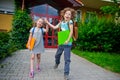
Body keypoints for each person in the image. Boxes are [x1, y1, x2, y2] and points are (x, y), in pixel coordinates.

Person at [45, 7, 76, 80]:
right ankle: (57, 62)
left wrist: (68, 40)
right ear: (63, 14)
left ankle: (66, 74)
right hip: (62, 43)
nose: (67, 15)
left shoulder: (70, 22)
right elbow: (54, 27)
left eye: (69, 14)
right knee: (57, 55)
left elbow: (71, 32)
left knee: (67, 59)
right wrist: (47, 23)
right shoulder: (61, 22)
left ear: (71, 16)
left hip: (68, 44)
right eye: (66, 13)